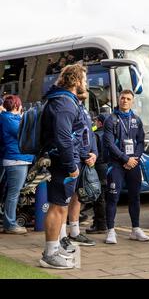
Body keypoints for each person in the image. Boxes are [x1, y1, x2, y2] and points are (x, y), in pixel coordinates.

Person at [39, 64, 87, 269]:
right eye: (84, 80)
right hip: (62, 162)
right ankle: (49, 254)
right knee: (57, 207)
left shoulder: (62, 100)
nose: (86, 83)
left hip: (61, 161)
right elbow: (64, 138)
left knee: (61, 206)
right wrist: (71, 166)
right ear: (75, 81)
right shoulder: (65, 103)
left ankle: (55, 248)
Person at [103, 90, 149, 244]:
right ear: (119, 99)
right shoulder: (111, 119)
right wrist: (124, 158)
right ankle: (111, 231)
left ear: (132, 102)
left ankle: (135, 229)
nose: (125, 101)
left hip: (133, 163)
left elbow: (141, 141)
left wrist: (135, 157)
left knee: (135, 197)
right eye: (122, 98)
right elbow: (109, 143)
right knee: (113, 197)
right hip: (116, 164)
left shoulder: (136, 119)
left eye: (128, 99)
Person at [60, 90, 97, 249]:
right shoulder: (68, 106)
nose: (86, 89)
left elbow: (91, 134)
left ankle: (74, 232)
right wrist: (82, 154)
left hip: (85, 160)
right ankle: (60, 236)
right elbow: (68, 136)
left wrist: (94, 153)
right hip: (74, 159)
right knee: (63, 199)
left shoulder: (84, 110)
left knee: (77, 197)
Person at [0, 95, 34, 234]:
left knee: (12, 193)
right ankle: (10, 224)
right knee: (13, 194)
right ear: (16, 106)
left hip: (18, 159)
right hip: (16, 159)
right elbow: (23, 133)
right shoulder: (8, 119)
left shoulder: (9, 118)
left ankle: (10, 222)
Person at [86, 113, 109, 234]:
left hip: (98, 168)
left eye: (96, 121)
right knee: (105, 197)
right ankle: (105, 223)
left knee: (98, 198)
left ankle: (100, 224)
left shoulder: (96, 135)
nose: (94, 123)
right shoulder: (110, 134)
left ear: (100, 122)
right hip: (107, 168)